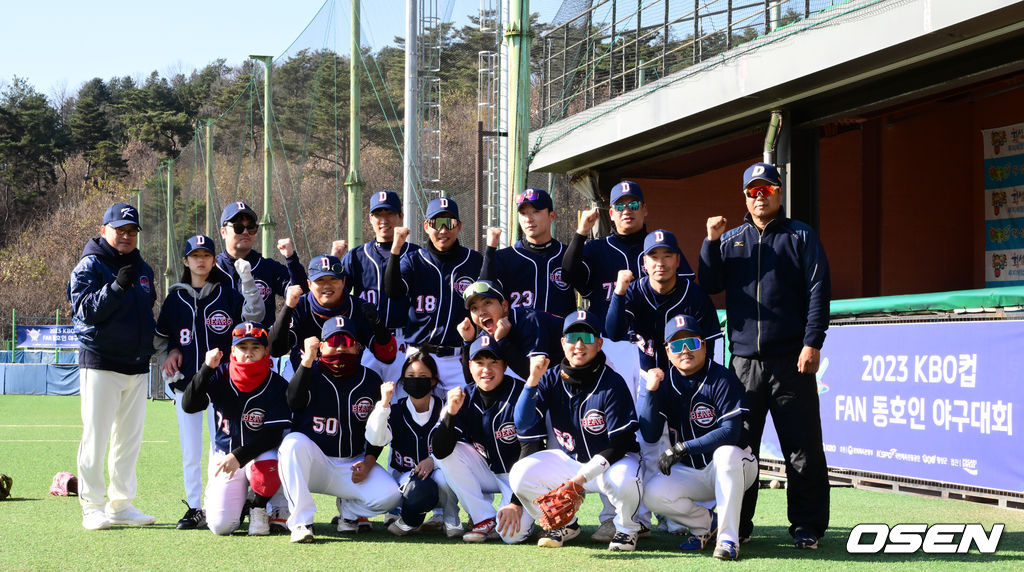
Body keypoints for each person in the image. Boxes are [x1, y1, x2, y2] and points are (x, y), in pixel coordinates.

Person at [699, 162, 832, 549]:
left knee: (802, 447)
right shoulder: (731, 238)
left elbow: (818, 290)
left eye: (766, 190)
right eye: (752, 191)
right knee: (740, 449)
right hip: (742, 364)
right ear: (744, 197)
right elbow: (710, 284)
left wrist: (813, 341)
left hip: (792, 358)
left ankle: (807, 527)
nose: (759, 197)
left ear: (779, 192)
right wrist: (709, 241)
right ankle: (737, 525)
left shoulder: (800, 235)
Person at [510, 310, 644, 552]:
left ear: (599, 343)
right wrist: (531, 381)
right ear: (562, 343)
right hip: (571, 461)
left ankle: (627, 529)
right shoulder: (550, 378)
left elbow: (621, 443)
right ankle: (566, 524)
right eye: (572, 338)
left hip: (613, 463)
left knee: (624, 480)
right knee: (520, 474)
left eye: (587, 337)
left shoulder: (612, 383)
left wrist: (578, 481)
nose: (579, 345)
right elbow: (522, 422)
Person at [155, 234, 264, 530]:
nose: (201, 260)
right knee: (190, 449)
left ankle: (223, 503)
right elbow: (162, 337)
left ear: (214, 260)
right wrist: (170, 351)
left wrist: (248, 282)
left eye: (206, 255)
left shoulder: (227, 293)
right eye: (195, 255)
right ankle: (194, 506)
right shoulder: (175, 297)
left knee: (223, 447)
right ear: (185, 261)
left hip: (224, 386)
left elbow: (255, 317)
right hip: (187, 385)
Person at [67, 202, 157, 530]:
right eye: (120, 229)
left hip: (136, 365)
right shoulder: (90, 264)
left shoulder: (142, 267)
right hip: (101, 362)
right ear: (104, 229)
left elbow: (147, 312)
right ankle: (92, 506)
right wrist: (116, 288)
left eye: (132, 231)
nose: (126, 235)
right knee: (97, 437)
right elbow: (85, 310)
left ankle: (121, 505)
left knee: (129, 441)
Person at [639, 314, 758, 560]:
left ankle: (727, 540)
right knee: (652, 493)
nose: (684, 351)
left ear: (704, 345)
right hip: (695, 471)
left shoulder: (722, 377)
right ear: (667, 351)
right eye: (676, 345)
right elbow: (650, 434)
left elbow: (730, 433)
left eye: (691, 343)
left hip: (737, 465)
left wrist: (682, 448)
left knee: (725, 455)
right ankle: (706, 524)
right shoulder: (666, 382)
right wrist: (650, 393)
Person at [278, 317, 401, 543]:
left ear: (357, 347)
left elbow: (378, 432)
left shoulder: (370, 379)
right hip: (315, 463)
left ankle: (350, 510)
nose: (341, 348)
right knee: (292, 443)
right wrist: (306, 361)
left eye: (347, 342)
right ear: (322, 345)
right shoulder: (309, 372)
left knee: (390, 497)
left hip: (351, 465)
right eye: (334, 341)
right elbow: (293, 401)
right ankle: (301, 523)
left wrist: (369, 462)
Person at [180, 322, 291, 536]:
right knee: (221, 526)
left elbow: (272, 435)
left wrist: (239, 457)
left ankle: (258, 505)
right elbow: (189, 405)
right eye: (243, 347)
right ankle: (241, 503)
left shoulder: (277, 384)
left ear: (266, 350)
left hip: (259, 454)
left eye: (255, 347)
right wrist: (206, 368)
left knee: (270, 464)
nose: (248, 353)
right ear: (232, 350)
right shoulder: (220, 373)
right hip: (225, 455)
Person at [430, 334, 539, 544]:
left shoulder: (520, 394)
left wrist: (516, 502)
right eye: (479, 363)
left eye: (493, 363)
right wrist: (450, 414)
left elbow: (532, 449)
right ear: (469, 366)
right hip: (486, 471)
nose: (486, 370)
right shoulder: (464, 396)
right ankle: (484, 518)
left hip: (520, 475)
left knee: (511, 536)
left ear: (505, 365)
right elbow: (440, 451)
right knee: (448, 453)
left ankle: (523, 515)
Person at [385, 196, 482, 392]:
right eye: (437, 223)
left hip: (458, 357)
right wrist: (395, 250)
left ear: (459, 226)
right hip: (419, 356)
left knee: (462, 415)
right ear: (427, 226)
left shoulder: (474, 261)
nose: (443, 230)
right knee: (414, 414)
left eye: (449, 222)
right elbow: (393, 291)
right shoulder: (414, 260)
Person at [364, 352, 462, 537]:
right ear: (402, 380)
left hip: (442, 478)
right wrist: (383, 404)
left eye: (423, 377)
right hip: (405, 480)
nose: (416, 381)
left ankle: (450, 516)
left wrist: (433, 460)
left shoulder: (446, 409)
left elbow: (460, 447)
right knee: (420, 489)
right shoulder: (395, 410)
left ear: (433, 381)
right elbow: (376, 439)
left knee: (443, 477)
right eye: (411, 377)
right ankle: (409, 519)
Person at [606, 229, 719, 375]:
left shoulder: (695, 295)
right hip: (645, 378)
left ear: (678, 260)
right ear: (645, 262)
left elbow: (710, 345)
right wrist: (619, 292)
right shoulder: (634, 292)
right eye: (654, 257)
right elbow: (614, 333)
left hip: (686, 378)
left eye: (667, 256)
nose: (660, 263)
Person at [342, 190, 420, 388]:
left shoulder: (417, 255)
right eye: (378, 214)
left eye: (389, 214)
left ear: (400, 217)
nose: (384, 220)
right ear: (370, 218)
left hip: (407, 342)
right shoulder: (356, 257)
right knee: (365, 402)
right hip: (368, 342)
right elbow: (338, 298)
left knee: (403, 405)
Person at [268, 254, 396, 372]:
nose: (327, 286)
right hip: (303, 378)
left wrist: (378, 325)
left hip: (348, 379)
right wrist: (287, 308)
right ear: (309, 284)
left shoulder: (360, 308)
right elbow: (276, 349)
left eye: (333, 279)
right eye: (320, 280)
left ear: (343, 281)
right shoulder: (299, 306)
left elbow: (388, 357)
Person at [479, 188, 574, 317]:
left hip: (559, 335)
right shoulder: (505, 257)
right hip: (518, 335)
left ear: (551, 216)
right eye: (523, 213)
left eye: (536, 211)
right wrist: (490, 250)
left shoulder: (567, 254)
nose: (529, 219)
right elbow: (484, 293)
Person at [215, 201, 307, 323]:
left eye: (251, 227)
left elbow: (302, 293)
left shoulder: (268, 267)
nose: (245, 232)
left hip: (261, 340)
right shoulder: (212, 268)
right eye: (238, 227)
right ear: (223, 232)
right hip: (222, 342)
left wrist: (291, 259)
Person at [458, 280, 563, 380]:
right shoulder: (486, 333)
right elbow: (474, 382)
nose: (481, 312)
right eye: (474, 308)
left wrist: (502, 342)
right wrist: (468, 342)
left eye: (487, 303)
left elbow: (535, 376)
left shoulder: (529, 320)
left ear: (504, 306)